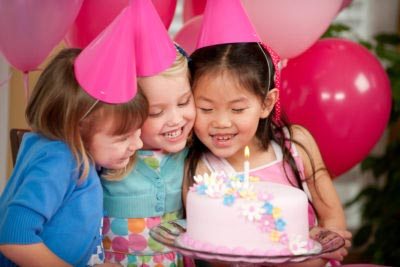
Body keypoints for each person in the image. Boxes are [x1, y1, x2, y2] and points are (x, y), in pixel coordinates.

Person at [183, 42, 352, 267]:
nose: (221, 123)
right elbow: (218, 257)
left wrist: (328, 243)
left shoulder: (295, 144)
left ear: (266, 103)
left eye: (237, 109)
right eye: (206, 109)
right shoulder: (202, 173)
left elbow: (332, 216)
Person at [0, 48, 147, 267]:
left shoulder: (58, 149)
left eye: (138, 131)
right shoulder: (60, 161)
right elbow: (14, 238)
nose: (138, 144)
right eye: (123, 138)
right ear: (78, 129)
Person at [101, 44, 196, 266]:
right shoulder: (108, 158)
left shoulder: (190, 155)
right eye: (156, 112)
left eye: (184, 102)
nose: (175, 119)